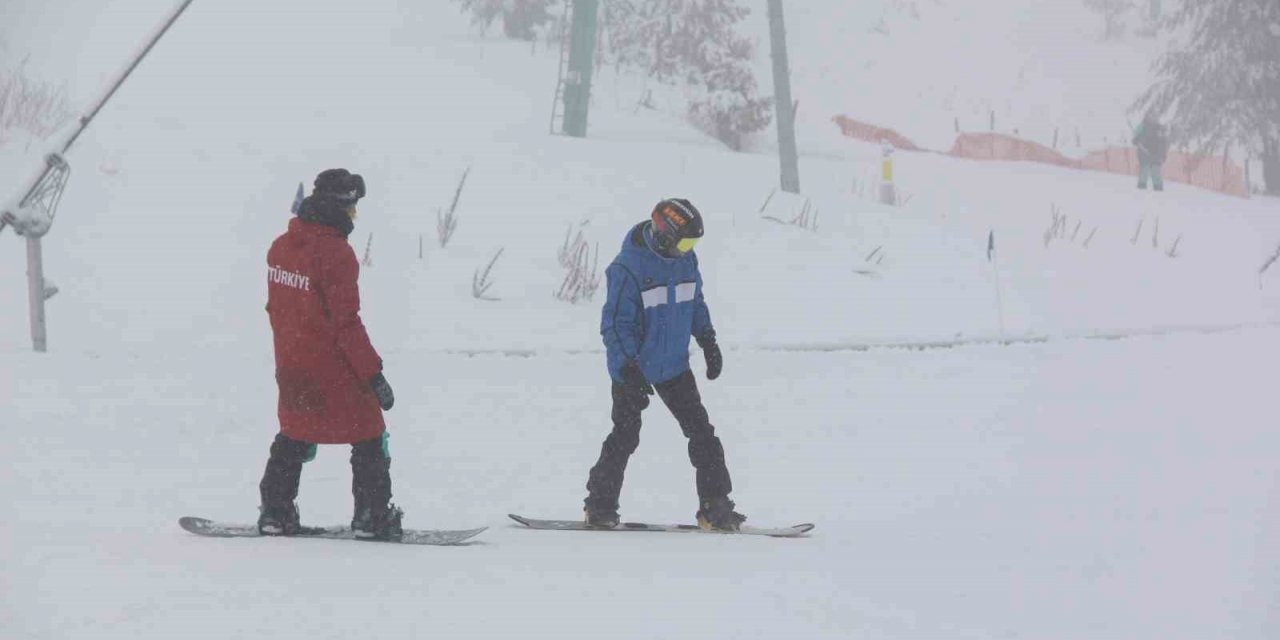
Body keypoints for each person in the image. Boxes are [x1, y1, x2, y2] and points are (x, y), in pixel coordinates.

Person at [583, 198, 746, 531]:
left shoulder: (685, 261)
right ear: (663, 234)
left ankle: (714, 505)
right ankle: (599, 506)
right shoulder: (627, 268)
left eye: (693, 244)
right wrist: (628, 368)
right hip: (635, 368)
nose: (688, 250)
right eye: (684, 242)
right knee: (625, 436)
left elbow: (695, 302)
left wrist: (708, 340)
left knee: (702, 433)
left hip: (674, 366)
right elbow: (615, 326)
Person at [257, 168, 402, 540]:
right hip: (333, 368)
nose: (355, 215)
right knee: (370, 433)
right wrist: (374, 375)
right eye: (354, 207)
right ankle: (372, 517)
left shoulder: (281, 247)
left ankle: (275, 512)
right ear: (343, 205)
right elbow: (346, 325)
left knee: (294, 431)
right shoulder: (337, 254)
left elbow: (278, 310)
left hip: (291, 364)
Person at [1133, 112, 1169, 191]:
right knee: (1144, 171)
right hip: (1144, 154)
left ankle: (1158, 190)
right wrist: (1137, 140)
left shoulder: (1160, 128)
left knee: (1156, 172)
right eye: (1151, 117)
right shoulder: (1142, 126)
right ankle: (1141, 190)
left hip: (1156, 154)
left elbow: (1164, 142)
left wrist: (1163, 154)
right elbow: (1135, 137)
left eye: (1154, 117)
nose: (1153, 119)